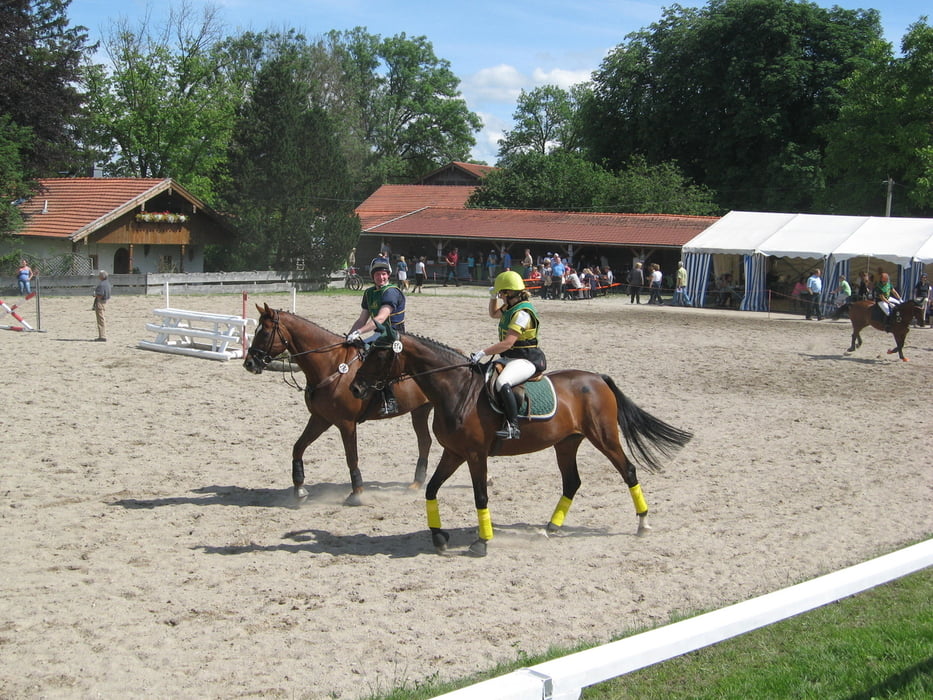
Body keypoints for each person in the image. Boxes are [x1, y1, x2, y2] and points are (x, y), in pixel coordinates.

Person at [469, 271, 546, 440]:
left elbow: (508, 343)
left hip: (526, 359)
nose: (501, 296)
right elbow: (494, 314)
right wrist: (492, 297)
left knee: (503, 382)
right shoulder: (510, 307)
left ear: (510, 293)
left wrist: (483, 352)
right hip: (510, 357)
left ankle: (513, 426)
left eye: (501, 293)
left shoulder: (522, 314)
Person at [346, 257, 407, 415]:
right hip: (380, 334)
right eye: (377, 274)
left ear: (388, 275)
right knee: (353, 347)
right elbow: (362, 319)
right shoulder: (369, 293)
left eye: (384, 274)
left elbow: (380, 318)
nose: (381, 277)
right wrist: (349, 335)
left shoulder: (391, 292)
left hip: (394, 334)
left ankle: (390, 399)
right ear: (372, 276)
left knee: (377, 355)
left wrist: (359, 332)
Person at [92, 270, 112, 341]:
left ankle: (102, 336)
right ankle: (102, 335)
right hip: (104, 302)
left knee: (100, 320)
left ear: (101, 276)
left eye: (99, 275)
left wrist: (95, 294)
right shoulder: (107, 284)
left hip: (100, 302)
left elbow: (100, 294)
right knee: (101, 319)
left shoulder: (101, 285)